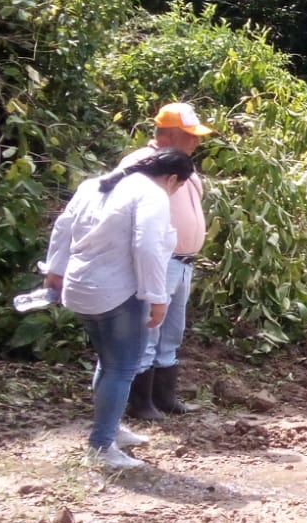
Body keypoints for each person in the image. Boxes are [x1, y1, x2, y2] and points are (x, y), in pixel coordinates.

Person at [43, 149, 196, 470]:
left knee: (109, 362)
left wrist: (55, 271)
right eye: (179, 186)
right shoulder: (151, 194)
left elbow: (63, 227)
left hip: (80, 287)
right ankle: (101, 446)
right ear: (172, 179)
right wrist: (156, 296)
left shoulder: (95, 185)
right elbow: (147, 247)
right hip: (117, 292)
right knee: (122, 367)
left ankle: (110, 428)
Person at [123, 102, 213, 420]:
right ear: (170, 135)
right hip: (159, 260)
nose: (196, 141)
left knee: (171, 333)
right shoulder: (142, 164)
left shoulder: (184, 166)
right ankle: (140, 403)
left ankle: (164, 397)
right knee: (148, 331)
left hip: (183, 262)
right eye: (190, 135)